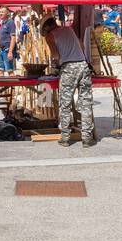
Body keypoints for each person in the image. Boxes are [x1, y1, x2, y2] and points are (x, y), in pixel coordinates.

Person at [41, 16, 95, 147]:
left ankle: (65, 137)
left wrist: (55, 66)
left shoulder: (50, 36)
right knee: (86, 102)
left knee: (65, 104)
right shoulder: (69, 30)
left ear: (47, 27)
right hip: (83, 65)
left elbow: (55, 56)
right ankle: (87, 138)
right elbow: (81, 45)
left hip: (69, 68)